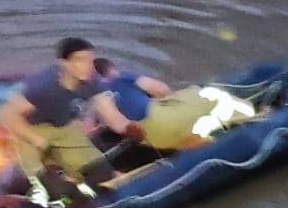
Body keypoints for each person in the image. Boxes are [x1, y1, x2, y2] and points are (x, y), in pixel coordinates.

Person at [0, 38, 140, 196]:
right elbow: (8, 115)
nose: (88, 66)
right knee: (54, 191)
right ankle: (32, 177)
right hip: (32, 129)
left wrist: (128, 128)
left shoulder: (92, 81)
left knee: (103, 175)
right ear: (64, 63)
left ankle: (73, 181)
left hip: (66, 127)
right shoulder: (42, 87)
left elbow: (111, 115)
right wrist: (36, 140)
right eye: (81, 61)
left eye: (90, 61)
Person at [94, 55, 261, 152]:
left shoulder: (98, 100)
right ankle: (255, 115)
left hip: (154, 140)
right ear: (110, 69)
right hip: (161, 119)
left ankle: (193, 141)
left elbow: (113, 125)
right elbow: (161, 89)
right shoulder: (121, 78)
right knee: (203, 96)